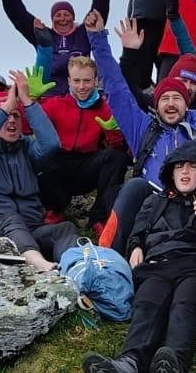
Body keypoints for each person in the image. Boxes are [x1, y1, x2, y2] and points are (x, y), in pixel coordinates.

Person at [85, 9, 196, 253]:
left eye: (177, 98)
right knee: (134, 187)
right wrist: (97, 38)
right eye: (165, 99)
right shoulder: (143, 128)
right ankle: (107, 257)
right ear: (156, 104)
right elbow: (117, 89)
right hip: (154, 203)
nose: (171, 103)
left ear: (187, 103)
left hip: (194, 202)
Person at [82, 143, 196, 373]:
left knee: (184, 306)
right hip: (157, 265)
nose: (185, 172)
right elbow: (137, 232)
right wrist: (135, 247)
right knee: (147, 304)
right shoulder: (154, 201)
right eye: (179, 166)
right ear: (170, 173)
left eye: (192, 166)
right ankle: (129, 365)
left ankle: (173, 364)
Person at [0, 69, 79, 271]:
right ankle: (42, 266)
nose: (12, 120)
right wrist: (6, 107)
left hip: (30, 230)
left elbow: (51, 144)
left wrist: (27, 101)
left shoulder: (27, 149)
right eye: (6, 116)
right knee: (11, 220)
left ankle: (75, 269)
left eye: (16, 116)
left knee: (64, 229)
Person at [34, 53, 128, 242]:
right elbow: (26, 127)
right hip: (59, 163)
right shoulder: (54, 104)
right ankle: (56, 209)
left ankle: (99, 218)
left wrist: (114, 132)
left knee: (117, 157)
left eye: (87, 80)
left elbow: (118, 146)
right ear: (68, 80)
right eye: (76, 81)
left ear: (95, 81)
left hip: (87, 165)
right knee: (46, 154)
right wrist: (31, 102)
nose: (82, 86)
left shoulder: (105, 107)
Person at [0, 0, 111, 96]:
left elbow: (99, 10)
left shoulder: (83, 32)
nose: (63, 18)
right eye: (58, 15)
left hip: (81, 92)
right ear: (52, 19)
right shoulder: (43, 34)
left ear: (73, 18)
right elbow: (18, 15)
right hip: (49, 93)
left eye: (67, 14)